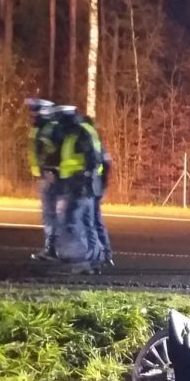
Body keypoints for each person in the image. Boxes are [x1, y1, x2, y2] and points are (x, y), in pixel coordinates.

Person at [52, 105, 106, 274]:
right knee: (85, 222)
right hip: (82, 185)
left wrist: (84, 177)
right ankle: (93, 259)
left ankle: (86, 259)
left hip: (81, 185)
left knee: (76, 221)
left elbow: (92, 159)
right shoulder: (77, 132)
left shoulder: (80, 133)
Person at [26, 98, 61, 260]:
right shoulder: (40, 128)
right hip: (45, 175)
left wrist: (49, 171)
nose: (32, 115)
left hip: (50, 176)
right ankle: (52, 248)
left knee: (50, 213)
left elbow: (52, 153)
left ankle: (52, 249)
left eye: (36, 112)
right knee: (51, 213)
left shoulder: (49, 129)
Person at [80, 113, 114, 266]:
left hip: (91, 186)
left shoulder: (90, 142)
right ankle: (106, 254)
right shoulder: (98, 143)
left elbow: (102, 165)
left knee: (89, 222)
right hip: (97, 186)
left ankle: (97, 257)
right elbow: (107, 164)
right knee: (96, 221)